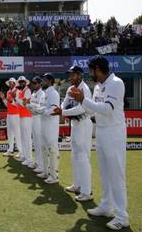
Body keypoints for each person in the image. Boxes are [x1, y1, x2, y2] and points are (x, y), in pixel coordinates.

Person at [69, 55, 129, 230]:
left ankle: (122, 216)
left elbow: (107, 109)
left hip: (114, 132)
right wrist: (80, 103)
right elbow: (93, 110)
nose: (89, 73)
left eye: (91, 70)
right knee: (104, 173)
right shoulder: (98, 86)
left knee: (116, 175)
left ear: (97, 69)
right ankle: (106, 206)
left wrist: (83, 100)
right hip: (101, 132)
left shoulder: (116, 83)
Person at [52, 66, 93, 202]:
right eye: (69, 75)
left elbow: (82, 108)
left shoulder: (84, 89)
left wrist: (63, 112)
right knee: (74, 156)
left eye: (73, 75)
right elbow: (65, 104)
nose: (70, 77)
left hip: (84, 123)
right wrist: (61, 109)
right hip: (74, 124)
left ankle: (87, 191)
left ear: (80, 75)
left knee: (83, 156)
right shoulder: (70, 88)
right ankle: (77, 185)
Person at [36, 73, 60, 184]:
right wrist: (36, 109)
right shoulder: (46, 93)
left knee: (52, 150)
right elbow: (44, 107)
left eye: (44, 80)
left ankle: (54, 176)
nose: (42, 82)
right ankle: (45, 172)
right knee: (44, 149)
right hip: (44, 124)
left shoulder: (53, 93)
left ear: (50, 81)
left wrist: (42, 111)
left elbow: (55, 109)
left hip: (51, 126)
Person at [0, 77, 22, 158]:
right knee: (10, 133)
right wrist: (3, 98)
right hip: (9, 114)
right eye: (10, 82)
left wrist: (11, 100)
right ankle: (10, 150)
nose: (11, 84)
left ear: (15, 84)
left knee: (17, 133)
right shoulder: (8, 91)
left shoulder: (18, 91)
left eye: (12, 83)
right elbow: (7, 105)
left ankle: (21, 151)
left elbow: (17, 104)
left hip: (16, 115)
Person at [25, 76, 45, 173]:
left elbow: (41, 107)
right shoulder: (33, 94)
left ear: (40, 84)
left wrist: (30, 105)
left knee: (39, 142)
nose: (34, 85)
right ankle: (37, 162)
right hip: (33, 117)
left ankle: (41, 165)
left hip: (39, 119)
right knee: (35, 142)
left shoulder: (42, 93)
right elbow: (31, 107)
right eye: (33, 83)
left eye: (36, 83)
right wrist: (27, 104)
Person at [16, 76, 33, 167]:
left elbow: (24, 103)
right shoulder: (22, 91)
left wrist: (17, 99)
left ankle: (29, 159)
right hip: (22, 116)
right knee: (23, 137)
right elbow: (17, 103)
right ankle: (25, 156)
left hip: (27, 116)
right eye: (20, 82)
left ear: (26, 82)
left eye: (23, 82)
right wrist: (15, 99)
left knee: (27, 138)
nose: (21, 83)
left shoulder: (27, 90)